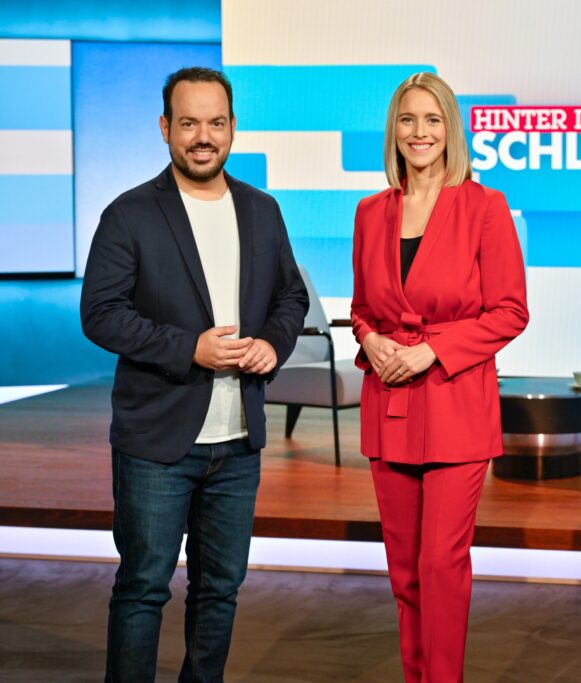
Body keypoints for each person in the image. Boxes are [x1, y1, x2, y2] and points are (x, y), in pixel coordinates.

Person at [80, 66, 308, 682]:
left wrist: (273, 344)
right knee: (143, 588)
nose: (203, 136)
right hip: (157, 443)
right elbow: (100, 314)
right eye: (188, 123)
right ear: (165, 128)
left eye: (215, 123)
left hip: (238, 443)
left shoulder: (262, 210)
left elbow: (291, 297)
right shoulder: (129, 213)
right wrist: (190, 350)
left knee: (219, 591)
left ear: (232, 128)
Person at [350, 72, 529, 682]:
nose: (419, 132)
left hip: (455, 404)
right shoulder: (370, 212)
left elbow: (510, 311)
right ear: (393, 130)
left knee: (440, 566)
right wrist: (369, 338)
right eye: (408, 119)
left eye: (432, 119)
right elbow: (362, 308)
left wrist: (434, 352)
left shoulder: (484, 206)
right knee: (404, 570)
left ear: (450, 129)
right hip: (389, 404)